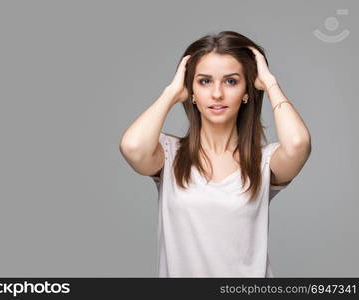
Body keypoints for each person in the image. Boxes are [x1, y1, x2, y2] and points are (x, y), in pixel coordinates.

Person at [119, 31, 311, 277]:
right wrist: (171, 93)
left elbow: (298, 144)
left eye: (231, 81)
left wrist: (270, 83)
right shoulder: (169, 155)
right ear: (192, 91)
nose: (217, 93)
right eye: (204, 81)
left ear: (246, 91)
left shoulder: (264, 162)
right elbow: (132, 147)